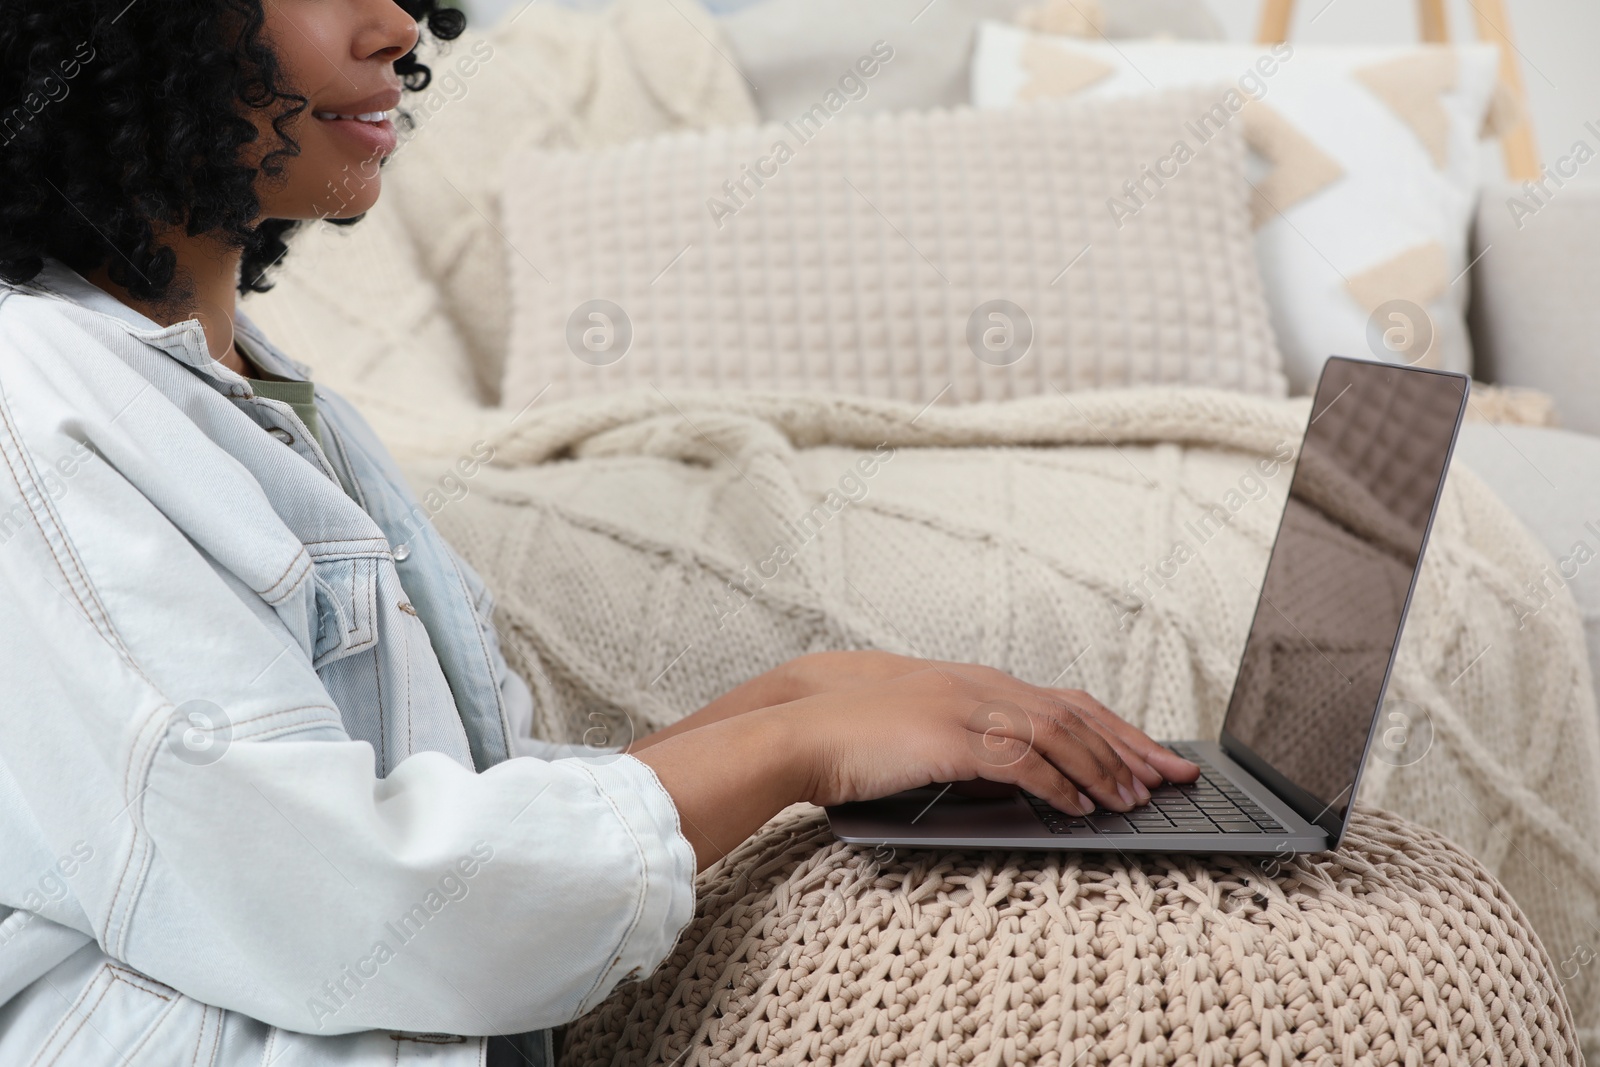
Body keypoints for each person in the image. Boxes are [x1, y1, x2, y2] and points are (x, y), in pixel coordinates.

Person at [0, 2, 1198, 1064]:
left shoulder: (261, 396)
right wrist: (801, 748)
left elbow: (459, 807)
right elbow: (356, 899)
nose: (397, 29)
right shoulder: (34, 410)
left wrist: (795, 692)